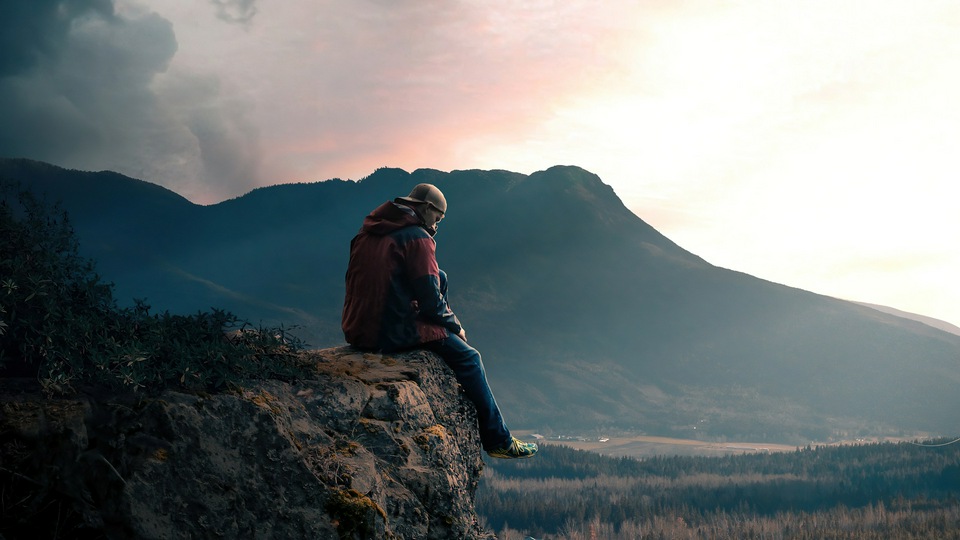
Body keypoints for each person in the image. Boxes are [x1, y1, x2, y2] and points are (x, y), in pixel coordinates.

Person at [342, 183, 538, 459]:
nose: (437, 224)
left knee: (440, 275)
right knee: (470, 358)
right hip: (389, 331)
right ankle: (499, 441)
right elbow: (432, 302)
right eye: (438, 217)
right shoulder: (416, 237)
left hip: (357, 327)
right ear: (427, 209)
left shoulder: (368, 232)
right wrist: (454, 326)